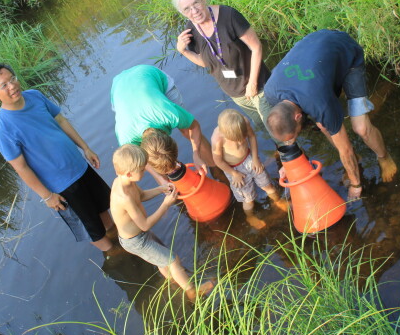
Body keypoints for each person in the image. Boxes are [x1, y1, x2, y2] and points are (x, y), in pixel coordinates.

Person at [0, 63, 115, 252]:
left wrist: (86, 148)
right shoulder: (3, 130)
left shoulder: (34, 96)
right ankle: (116, 257)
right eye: (4, 85)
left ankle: (120, 244)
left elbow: (60, 120)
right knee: (93, 230)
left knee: (105, 213)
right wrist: (47, 196)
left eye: (12, 78)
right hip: (62, 186)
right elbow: (21, 168)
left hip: (80, 167)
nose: (12, 86)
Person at [264, 30, 398, 200]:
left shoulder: (317, 101)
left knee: (361, 128)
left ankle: (384, 157)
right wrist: (287, 164)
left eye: (296, 134)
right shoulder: (270, 92)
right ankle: (356, 160)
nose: (295, 138)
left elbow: (346, 148)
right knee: (323, 124)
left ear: (298, 117)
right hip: (316, 48)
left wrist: (356, 184)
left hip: (346, 52)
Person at [110, 144, 215, 300]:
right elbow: (145, 224)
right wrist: (165, 204)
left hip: (140, 235)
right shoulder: (123, 196)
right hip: (136, 241)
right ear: (129, 173)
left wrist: (161, 189)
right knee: (173, 259)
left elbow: (142, 196)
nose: (145, 171)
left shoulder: (126, 182)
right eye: (141, 170)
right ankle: (192, 291)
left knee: (162, 259)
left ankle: (173, 280)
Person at [172, 0, 275, 138]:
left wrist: (253, 83)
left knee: (276, 128)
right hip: (236, 94)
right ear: (182, 12)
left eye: (196, 3)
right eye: (187, 9)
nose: (194, 11)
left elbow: (256, 47)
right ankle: (281, 154)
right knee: (262, 127)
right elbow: (206, 62)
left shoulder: (229, 16)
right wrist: (183, 51)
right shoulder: (190, 31)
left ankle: (295, 155)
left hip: (258, 86)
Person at [110, 64, 216, 183]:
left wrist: (196, 154)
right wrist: (159, 177)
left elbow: (194, 127)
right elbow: (140, 159)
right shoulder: (126, 140)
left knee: (186, 130)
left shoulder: (169, 114)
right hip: (118, 87)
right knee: (159, 168)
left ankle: (215, 167)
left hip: (148, 74)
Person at [211, 109, 288, 229]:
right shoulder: (217, 139)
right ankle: (250, 216)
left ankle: (277, 201)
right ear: (225, 134)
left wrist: (255, 159)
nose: (242, 141)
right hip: (233, 169)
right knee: (248, 198)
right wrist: (234, 173)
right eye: (237, 140)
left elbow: (252, 137)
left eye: (243, 137)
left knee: (267, 184)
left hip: (249, 158)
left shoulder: (244, 122)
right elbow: (218, 161)